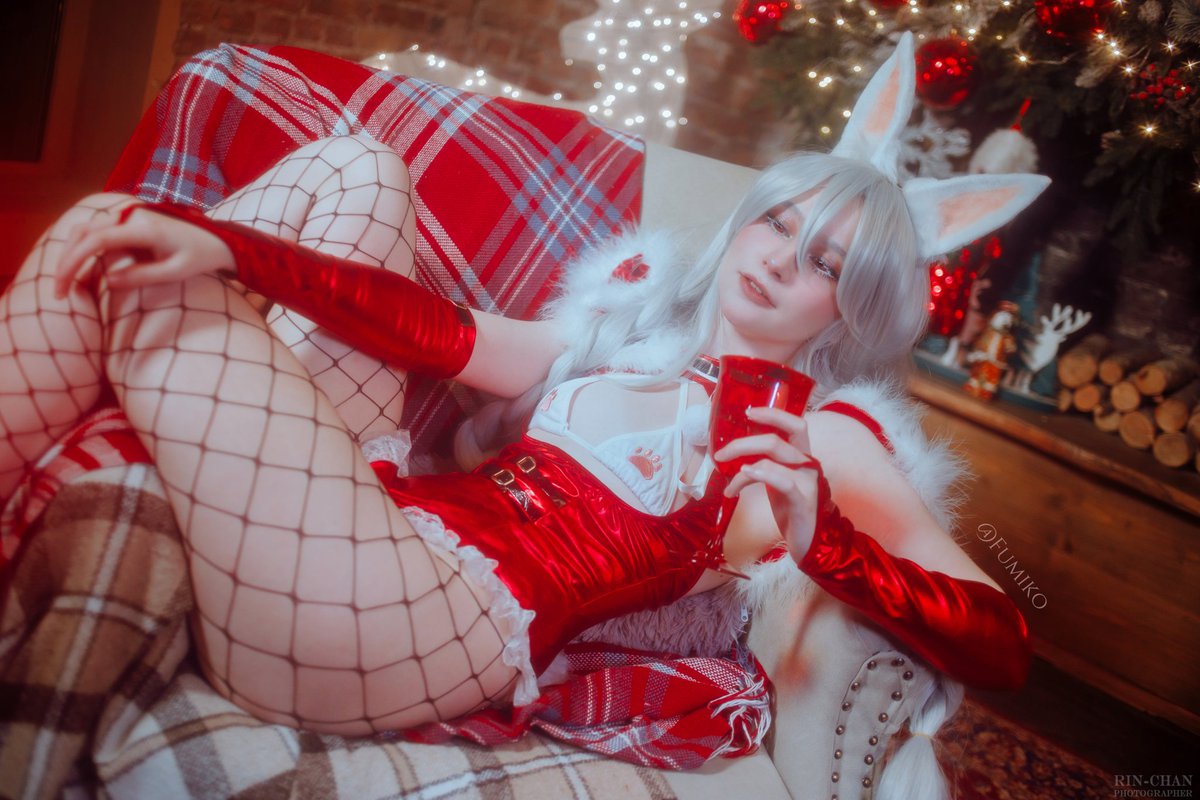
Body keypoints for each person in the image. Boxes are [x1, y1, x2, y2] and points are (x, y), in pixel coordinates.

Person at [0, 34, 1046, 742]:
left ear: (851, 308)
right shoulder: (630, 335)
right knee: (359, 173)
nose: (780, 257)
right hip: (383, 520)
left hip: (419, 625)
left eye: (824, 261)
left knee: (110, 237)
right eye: (778, 221)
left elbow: (1005, 641)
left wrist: (828, 541)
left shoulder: (820, 431)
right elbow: (437, 332)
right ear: (747, 219)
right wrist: (234, 250)